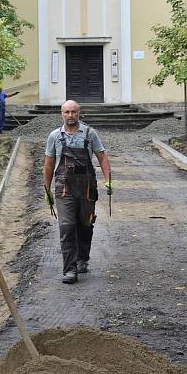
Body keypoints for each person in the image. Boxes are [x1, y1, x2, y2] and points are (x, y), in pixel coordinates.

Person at [43, 100, 112, 284]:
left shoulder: (90, 134)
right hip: (63, 187)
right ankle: (70, 269)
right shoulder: (55, 136)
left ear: (79, 113)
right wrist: (47, 189)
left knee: (85, 225)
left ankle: (82, 259)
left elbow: (102, 158)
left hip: (87, 187)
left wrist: (108, 181)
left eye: (73, 112)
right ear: (61, 114)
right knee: (66, 227)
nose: (70, 115)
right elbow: (49, 164)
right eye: (67, 112)